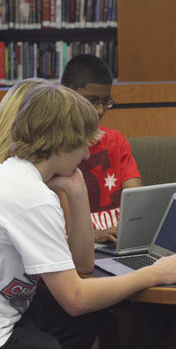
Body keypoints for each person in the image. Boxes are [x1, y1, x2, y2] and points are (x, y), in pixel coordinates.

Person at [0, 81, 176, 349]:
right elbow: (76, 299)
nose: (87, 154)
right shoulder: (29, 195)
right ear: (63, 145)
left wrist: (77, 192)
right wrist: (152, 274)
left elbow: (82, 264)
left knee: (89, 327)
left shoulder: (17, 176)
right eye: (84, 144)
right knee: (53, 343)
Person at [61, 54, 143, 243]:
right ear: (66, 95)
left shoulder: (115, 140)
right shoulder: (54, 151)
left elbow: (137, 202)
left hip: (118, 241)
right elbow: (60, 226)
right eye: (91, 101)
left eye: (106, 101)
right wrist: (93, 236)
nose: (99, 110)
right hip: (78, 246)